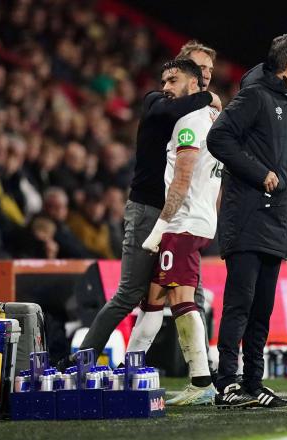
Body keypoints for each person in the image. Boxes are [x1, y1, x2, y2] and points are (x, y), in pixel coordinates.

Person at [70, 47, 222, 364]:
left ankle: (200, 370)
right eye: (198, 67)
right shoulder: (158, 101)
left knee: (184, 295)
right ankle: (81, 359)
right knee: (130, 293)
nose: (206, 72)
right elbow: (170, 113)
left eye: (209, 68)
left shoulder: (203, 115)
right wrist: (208, 98)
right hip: (150, 211)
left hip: (182, 216)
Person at [207, 34, 287, 408]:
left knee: (262, 308)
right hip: (248, 216)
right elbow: (218, 138)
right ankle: (226, 384)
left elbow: (277, 152)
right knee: (240, 304)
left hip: (276, 220)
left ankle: (253, 382)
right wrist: (258, 173)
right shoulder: (255, 96)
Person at [124, 58, 221, 406]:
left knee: (181, 299)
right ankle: (129, 372)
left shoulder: (190, 123)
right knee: (152, 298)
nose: (166, 86)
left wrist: (161, 228)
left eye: (173, 79)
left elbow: (181, 182)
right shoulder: (210, 117)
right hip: (192, 219)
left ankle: (201, 380)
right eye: (163, 79)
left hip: (182, 222)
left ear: (194, 85)